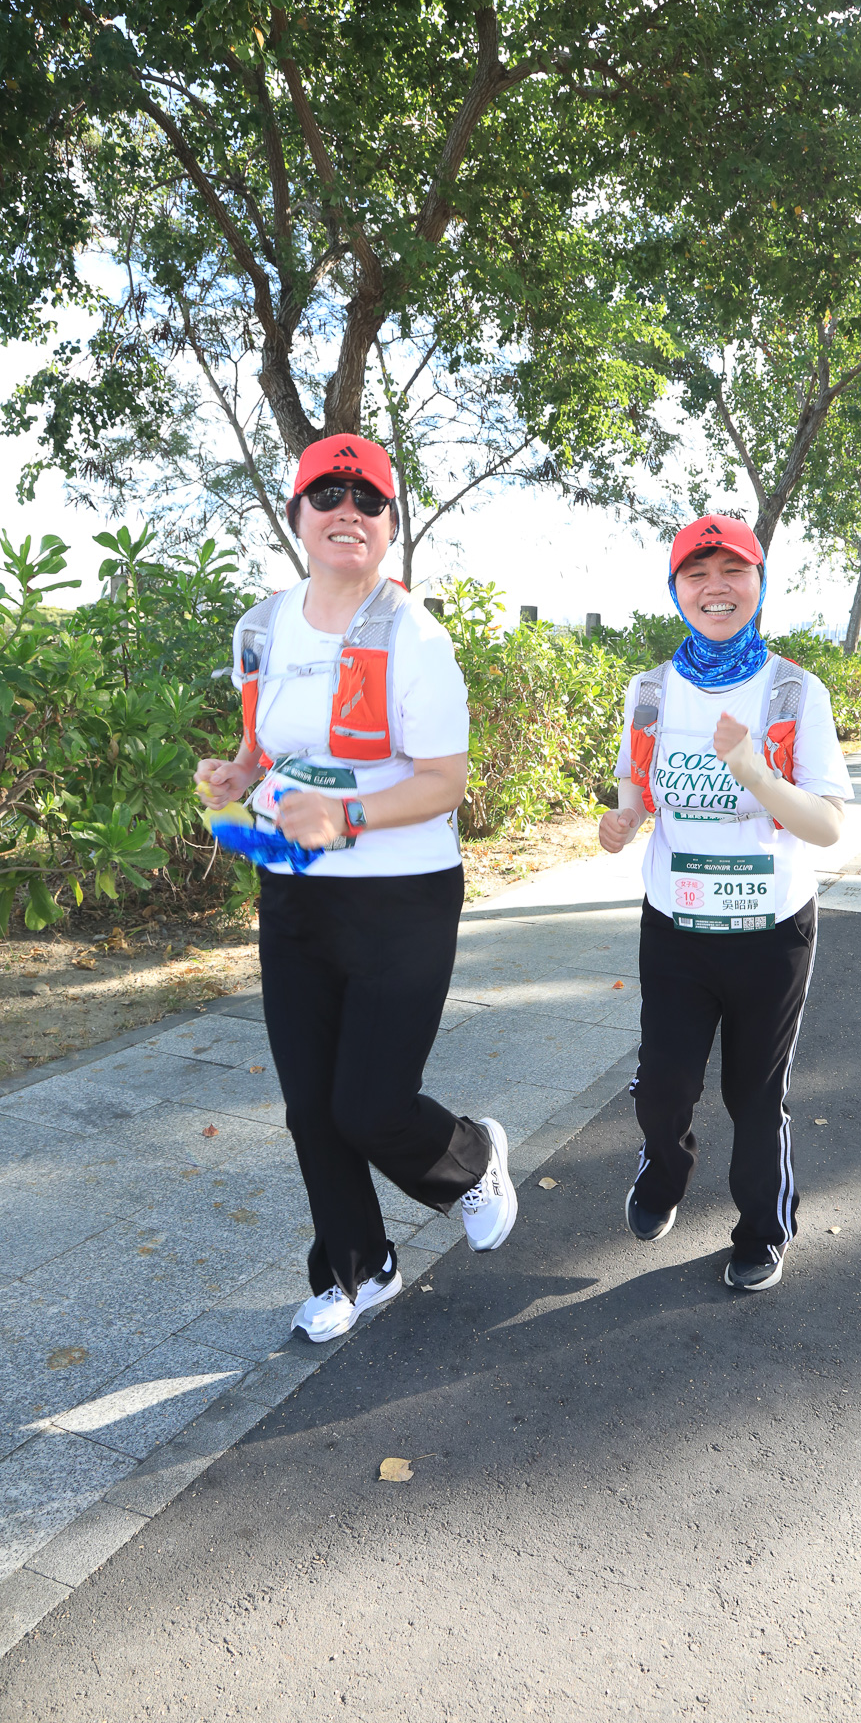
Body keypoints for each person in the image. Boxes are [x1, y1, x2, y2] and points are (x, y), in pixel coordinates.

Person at [194, 433, 516, 1344]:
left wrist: (348, 816)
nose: (348, 511)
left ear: (388, 523)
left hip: (402, 897)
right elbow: (265, 746)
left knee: (369, 1105)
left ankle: (472, 1160)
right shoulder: (261, 628)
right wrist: (237, 774)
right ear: (296, 513)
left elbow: (445, 782)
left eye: (368, 499)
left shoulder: (414, 636)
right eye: (328, 494)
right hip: (296, 892)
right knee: (311, 1107)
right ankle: (359, 1267)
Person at [598, 515, 854, 1292]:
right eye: (696, 573)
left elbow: (828, 826)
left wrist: (756, 773)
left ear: (759, 584)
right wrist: (624, 819)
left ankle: (764, 1229)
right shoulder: (650, 690)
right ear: (676, 589)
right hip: (675, 924)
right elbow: (636, 783)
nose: (715, 587)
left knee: (755, 1095)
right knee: (664, 1083)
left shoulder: (793, 691)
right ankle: (664, 1171)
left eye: (732, 570)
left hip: (770, 930)